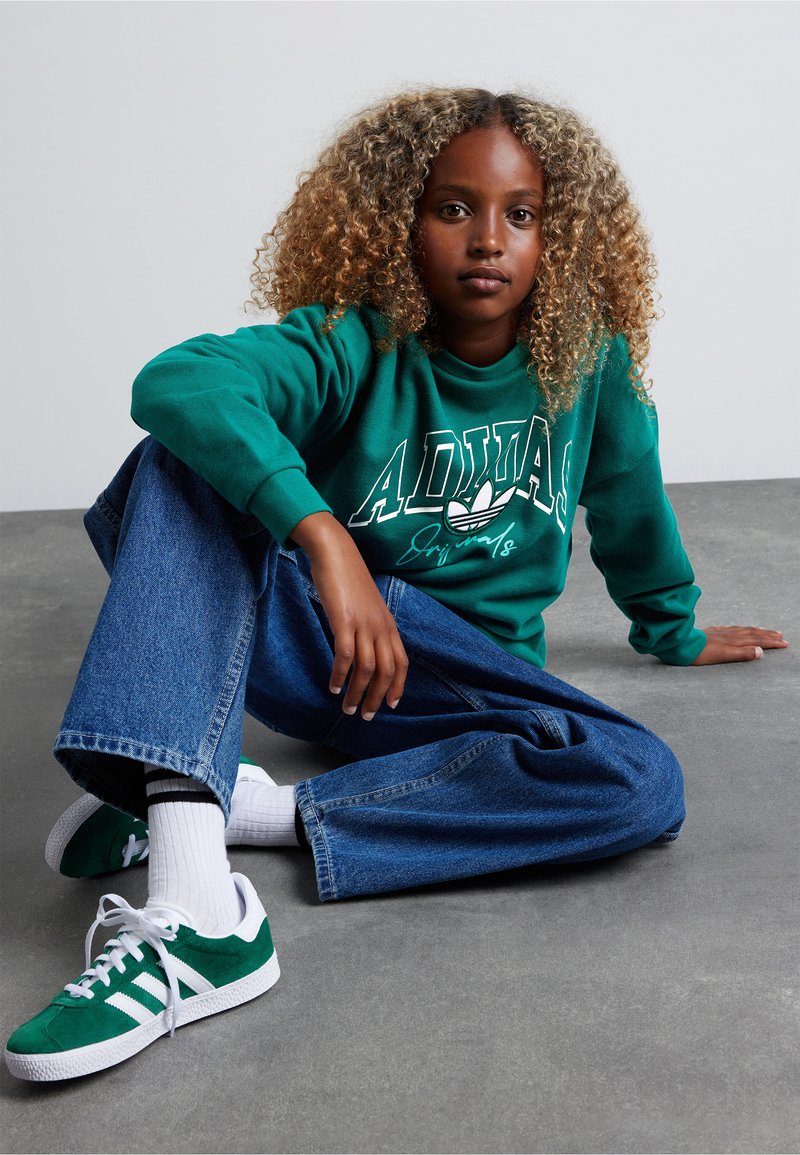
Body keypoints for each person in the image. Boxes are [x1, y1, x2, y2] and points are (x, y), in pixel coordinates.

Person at [5, 88, 786, 1082]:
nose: (488, 238)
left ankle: (202, 802)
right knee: (178, 459)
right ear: (396, 223)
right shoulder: (355, 342)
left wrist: (671, 626)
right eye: (453, 208)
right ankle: (198, 914)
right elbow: (179, 380)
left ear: (560, 236)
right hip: (334, 646)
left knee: (640, 781)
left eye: (521, 213)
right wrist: (325, 539)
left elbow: (630, 500)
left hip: (461, 683)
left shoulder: (588, 364)